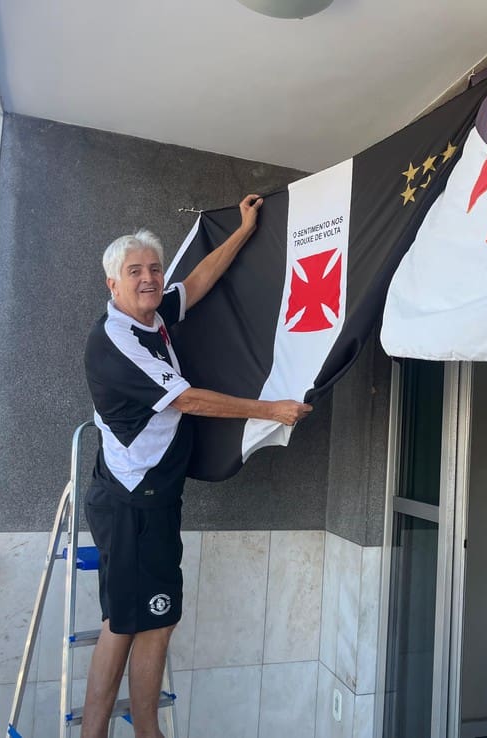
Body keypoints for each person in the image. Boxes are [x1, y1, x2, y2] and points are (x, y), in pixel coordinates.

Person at [81, 194, 312, 738]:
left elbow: (199, 282)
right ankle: (139, 732)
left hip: (143, 498)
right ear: (111, 284)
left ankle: (117, 733)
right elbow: (189, 400)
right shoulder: (115, 342)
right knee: (149, 619)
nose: (149, 278)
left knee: (134, 618)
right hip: (133, 502)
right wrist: (271, 410)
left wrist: (244, 229)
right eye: (134, 271)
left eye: (154, 268)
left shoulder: (152, 315)